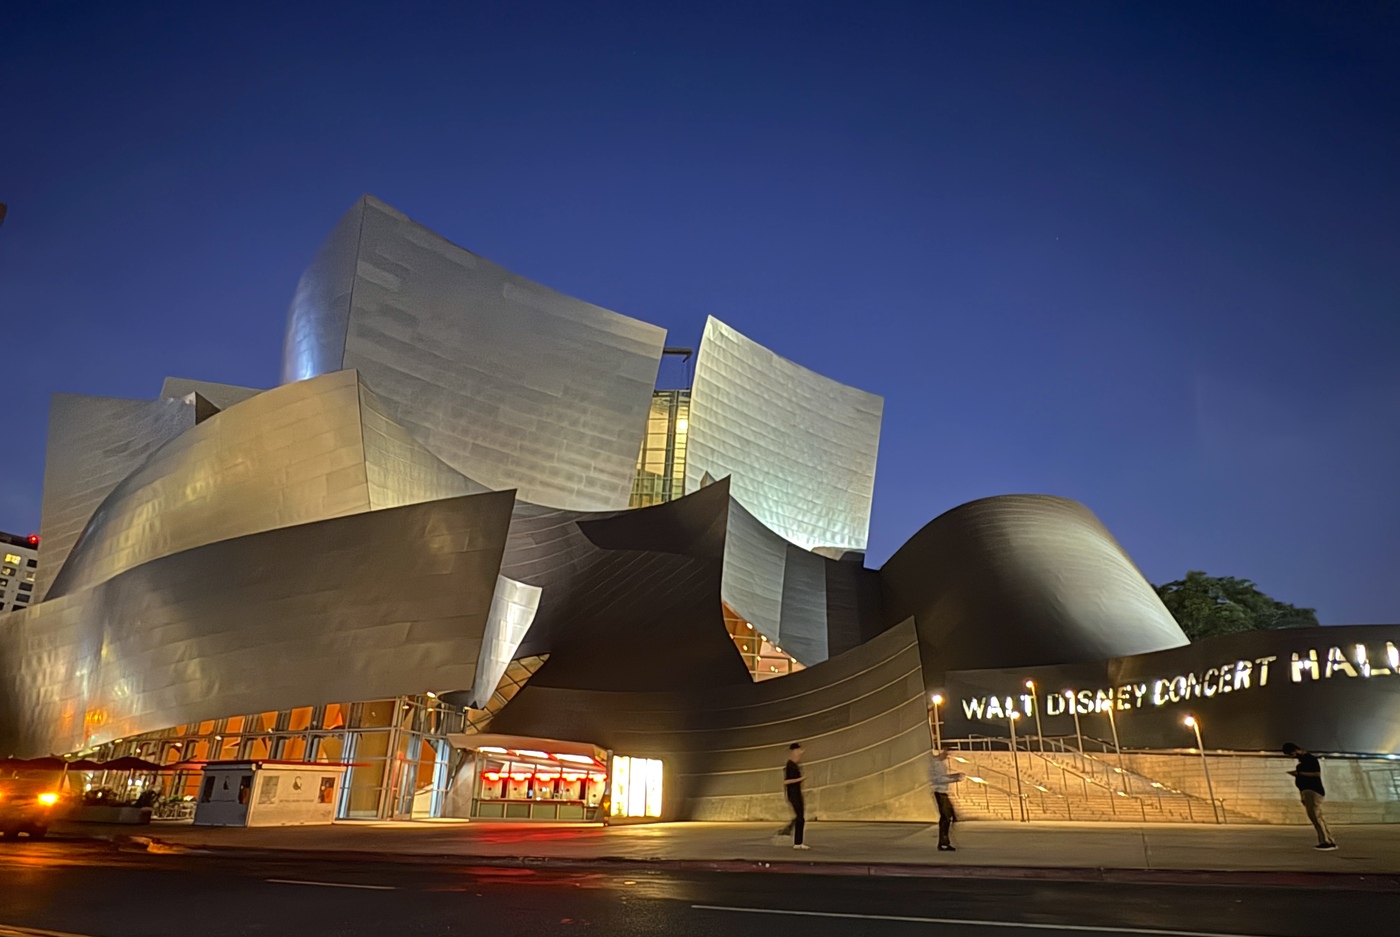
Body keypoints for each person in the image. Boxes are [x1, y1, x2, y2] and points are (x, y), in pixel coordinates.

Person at [1282, 742, 1336, 850]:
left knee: (1316, 817)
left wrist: (1299, 774)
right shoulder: (1302, 761)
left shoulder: (1309, 759)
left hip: (1312, 791)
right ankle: (1327, 840)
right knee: (1317, 817)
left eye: (1291, 754)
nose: (1292, 757)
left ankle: (1326, 841)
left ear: (1295, 750)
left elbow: (1316, 774)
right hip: (1307, 792)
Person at [929, 749, 965, 851]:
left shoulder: (940, 763)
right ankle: (943, 842)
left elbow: (942, 777)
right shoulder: (935, 764)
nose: (946, 756)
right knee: (946, 817)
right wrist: (955, 778)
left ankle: (944, 841)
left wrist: (954, 776)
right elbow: (938, 779)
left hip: (943, 792)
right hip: (939, 792)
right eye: (946, 754)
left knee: (947, 817)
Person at [783, 742, 809, 850]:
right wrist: (800, 779)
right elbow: (786, 782)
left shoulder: (796, 765)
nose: (799, 753)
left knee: (800, 818)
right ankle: (797, 842)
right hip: (793, 794)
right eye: (798, 751)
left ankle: (798, 841)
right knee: (800, 818)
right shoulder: (790, 765)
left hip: (797, 793)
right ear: (793, 752)